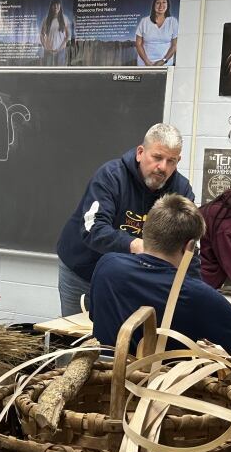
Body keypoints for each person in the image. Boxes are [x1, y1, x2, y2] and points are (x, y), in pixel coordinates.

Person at [90, 194, 231, 367]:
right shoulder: (197, 295)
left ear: (145, 232)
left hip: (103, 389)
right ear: (190, 247)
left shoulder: (107, 266)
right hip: (163, 399)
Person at [57, 123, 195, 316]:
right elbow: (93, 228)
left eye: (171, 161)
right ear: (140, 153)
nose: (162, 167)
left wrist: (198, 294)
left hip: (128, 277)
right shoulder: (111, 176)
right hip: (83, 269)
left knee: (118, 338)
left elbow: (188, 247)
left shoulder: (181, 190)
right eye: (157, 157)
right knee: (77, 339)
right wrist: (138, 246)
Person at [135, 0, 178, 66]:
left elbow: (174, 45)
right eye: (158, 3)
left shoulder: (173, 21)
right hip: (145, 63)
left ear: (167, 5)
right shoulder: (144, 21)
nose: (161, 5)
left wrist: (164, 61)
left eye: (164, 2)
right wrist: (146, 61)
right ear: (154, 5)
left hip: (165, 63)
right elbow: (138, 44)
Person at [39, 0, 70, 66]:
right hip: (48, 51)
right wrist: (45, 46)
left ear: (60, 6)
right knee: (48, 70)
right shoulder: (46, 19)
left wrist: (61, 47)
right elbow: (41, 34)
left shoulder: (65, 18)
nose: (56, 6)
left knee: (60, 71)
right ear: (51, 7)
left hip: (61, 51)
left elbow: (68, 36)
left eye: (57, 4)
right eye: (54, 4)